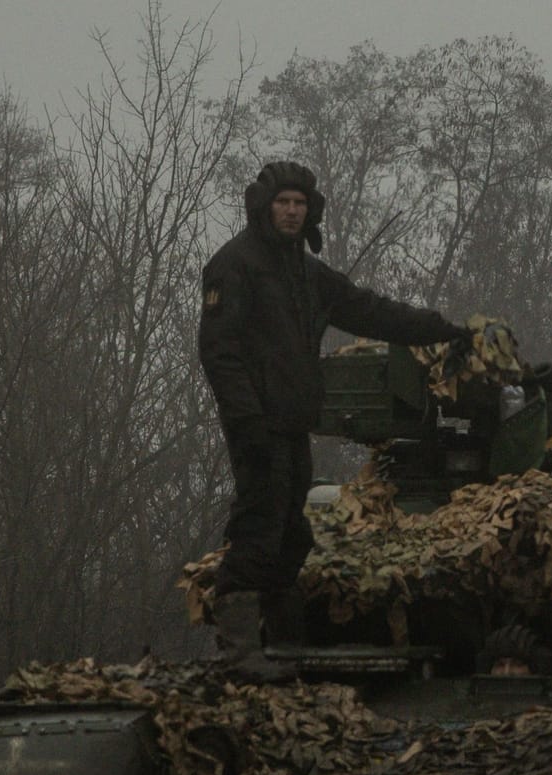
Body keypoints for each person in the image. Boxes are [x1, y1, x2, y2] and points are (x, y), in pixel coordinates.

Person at [199, 161, 473, 680]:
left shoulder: (305, 273)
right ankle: (240, 652)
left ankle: (281, 644)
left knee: (290, 534)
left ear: (311, 210)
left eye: (300, 203)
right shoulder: (235, 264)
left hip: (292, 422)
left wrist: (442, 330)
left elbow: (369, 310)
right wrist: (246, 419)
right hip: (257, 424)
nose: (292, 211)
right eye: (283, 202)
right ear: (265, 205)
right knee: (258, 527)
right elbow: (219, 351)